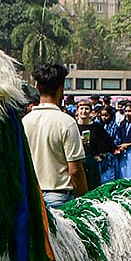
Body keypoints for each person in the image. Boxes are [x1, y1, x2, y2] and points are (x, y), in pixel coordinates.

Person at [23, 64, 86, 208]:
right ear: (61, 88)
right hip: (60, 197)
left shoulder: (25, 122)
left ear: (37, 86)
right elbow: (75, 170)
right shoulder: (66, 122)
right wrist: (84, 198)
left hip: (31, 196)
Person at [75, 100, 115, 190]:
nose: (84, 111)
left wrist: (101, 156)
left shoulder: (96, 127)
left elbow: (108, 144)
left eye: (86, 109)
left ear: (90, 111)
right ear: (77, 111)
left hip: (91, 162)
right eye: (81, 109)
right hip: (76, 161)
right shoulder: (73, 126)